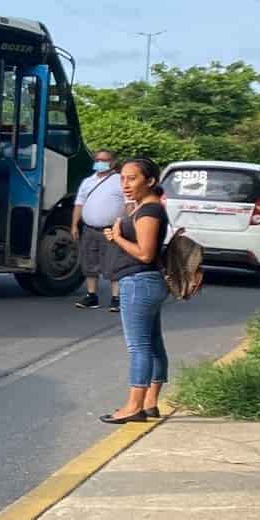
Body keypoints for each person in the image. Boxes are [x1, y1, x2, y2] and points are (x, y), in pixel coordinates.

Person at [100, 158, 171, 424]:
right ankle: (150, 403)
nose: (126, 184)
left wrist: (118, 237)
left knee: (139, 346)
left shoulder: (149, 211)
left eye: (132, 178)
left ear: (150, 181)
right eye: (122, 179)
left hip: (139, 282)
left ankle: (134, 406)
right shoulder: (144, 208)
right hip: (144, 282)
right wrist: (117, 236)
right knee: (153, 345)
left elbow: (145, 254)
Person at [72, 149, 126, 311]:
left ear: (113, 162)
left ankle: (117, 298)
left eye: (105, 160)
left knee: (114, 263)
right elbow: (79, 204)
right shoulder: (88, 181)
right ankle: (91, 296)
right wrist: (74, 225)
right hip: (89, 229)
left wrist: (126, 225)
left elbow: (129, 204)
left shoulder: (120, 181)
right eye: (98, 159)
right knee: (89, 263)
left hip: (111, 230)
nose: (100, 163)